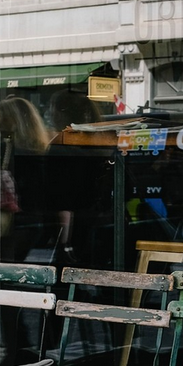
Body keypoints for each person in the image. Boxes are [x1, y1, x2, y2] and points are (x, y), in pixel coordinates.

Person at [0, 97, 51, 366]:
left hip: (9, 227)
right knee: (17, 286)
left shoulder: (9, 148)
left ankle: (16, 349)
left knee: (4, 286)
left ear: (13, 120)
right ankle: (27, 348)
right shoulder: (39, 149)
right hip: (31, 225)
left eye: (1, 117)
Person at [48, 90, 102, 262]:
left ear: (61, 112)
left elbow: (63, 198)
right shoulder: (93, 142)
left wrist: (64, 242)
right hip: (93, 216)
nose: (49, 114)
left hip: (74, 224)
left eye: (51, 109)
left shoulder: (62, 145)